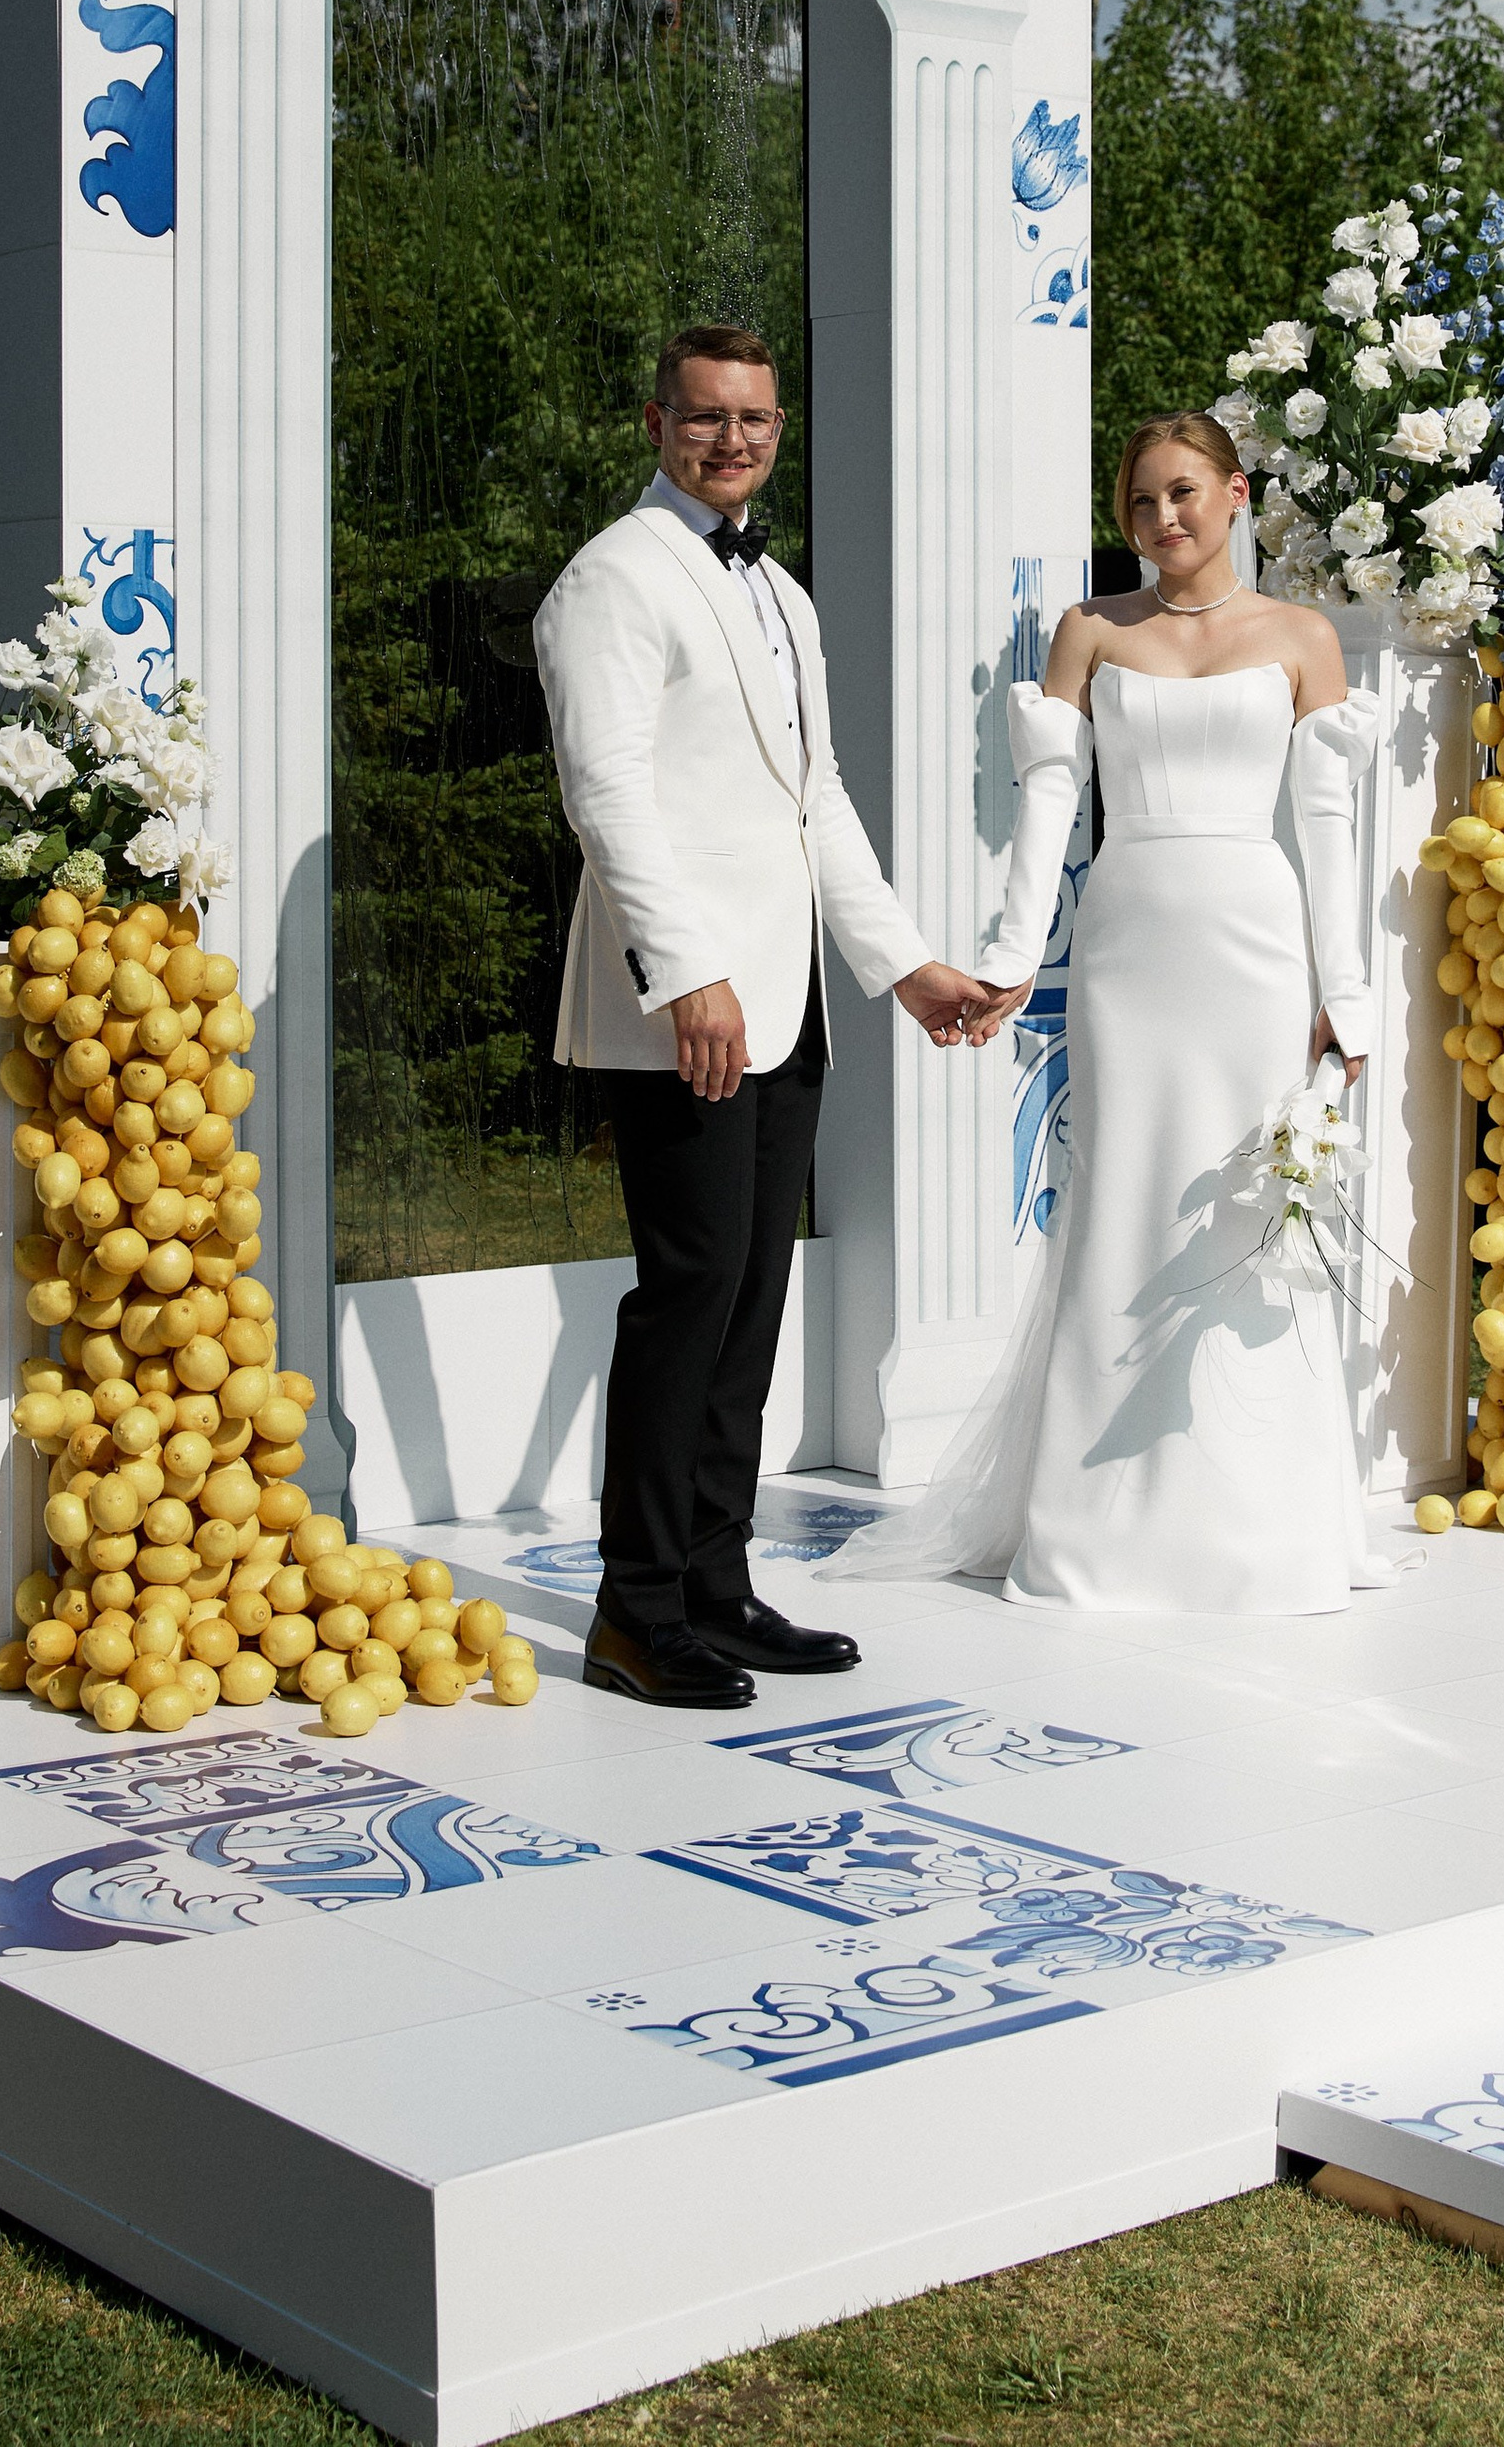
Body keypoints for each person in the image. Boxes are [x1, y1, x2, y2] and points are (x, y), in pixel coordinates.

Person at [829, 410, 1393, 1614]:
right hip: (1129, 942)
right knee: (1123, 1197)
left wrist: (1341, 999)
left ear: (1237, 494)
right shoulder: (1089, 631)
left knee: (1248, 1206)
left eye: (1183, 494)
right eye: (1140, 503)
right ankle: (1097, 1527)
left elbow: (1331, 836)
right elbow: (1046, 812)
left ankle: (1261, 1527)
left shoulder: (1302, 637)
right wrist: (1007, 959)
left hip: (1254, 942)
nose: (1161, 521)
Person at [535, 322, 992, 1708]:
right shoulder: (614, 578)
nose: (732, 441)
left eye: (756, 421)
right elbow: (602, 791)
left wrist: (903, 963)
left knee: (749, 1296)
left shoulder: (781, 595)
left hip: (788, 1003)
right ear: (656, 420)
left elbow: (818, 801)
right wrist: (687, 973)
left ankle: (718, 1585)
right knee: (688, 1296)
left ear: (777, 429)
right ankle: (635, 1607)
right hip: (690, 1005)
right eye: (706, 418)